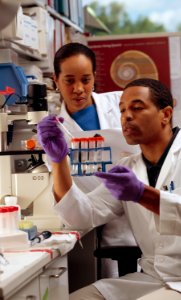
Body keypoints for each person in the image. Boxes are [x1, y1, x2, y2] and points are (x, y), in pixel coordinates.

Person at [37, 78, 181, 300]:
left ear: (166, 114)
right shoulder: (128, 168)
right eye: (122, 110)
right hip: (152, 279)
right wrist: (58, 162)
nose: (126, 116)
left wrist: (143, 194)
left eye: (137, 108)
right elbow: (81, 216)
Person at [51, 42, 137, 277]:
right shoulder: (55, 131)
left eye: (86, 80)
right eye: (69, 80)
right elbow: (60, 183)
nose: (79, 88)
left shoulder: (121, 104)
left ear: (94, 77)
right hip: (97, 217)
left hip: (139, 205)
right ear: (56, 80)